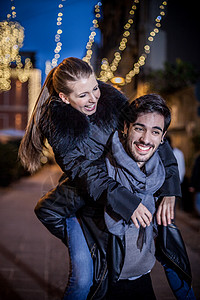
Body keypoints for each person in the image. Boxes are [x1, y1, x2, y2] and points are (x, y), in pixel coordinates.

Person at [19, 57, 181, 299]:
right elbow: (87, 174)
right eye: (83, 95)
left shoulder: (111, 99)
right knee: (83, 282)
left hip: (112, 198)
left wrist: (170, 188)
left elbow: (150, 129)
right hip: (82, 204)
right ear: (65, 98)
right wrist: (127, 203)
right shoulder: (59, 127)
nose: (94, 97)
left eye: (94, 88)